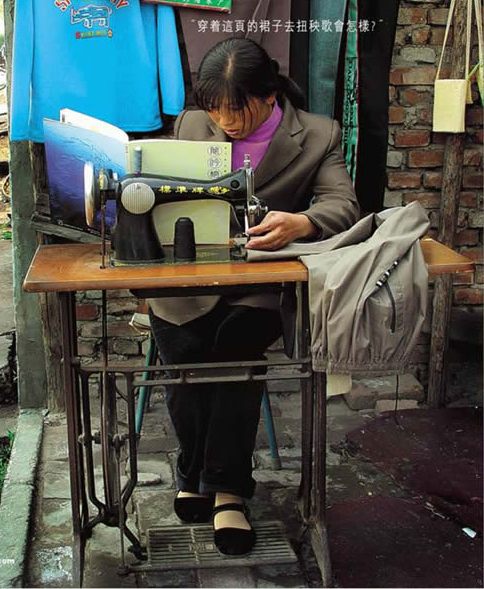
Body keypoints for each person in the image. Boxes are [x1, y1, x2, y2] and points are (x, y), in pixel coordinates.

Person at [146, 37, 360, 556]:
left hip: (261, 285)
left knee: (235, 349)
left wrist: (302, 222)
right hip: (191, 280)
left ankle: (226, 491)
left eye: (236, 109)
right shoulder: (191, 126)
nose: (225, 121)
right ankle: (196, 473)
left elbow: (344, 204)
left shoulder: (316, 135)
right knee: (183, 346)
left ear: (269, 95)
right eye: (214, 108)